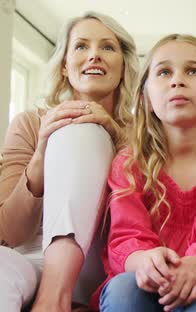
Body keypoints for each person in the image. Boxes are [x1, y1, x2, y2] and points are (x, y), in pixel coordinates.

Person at [97, 34, 196, 312]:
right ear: (146, 99)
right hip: (140, 274)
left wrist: (192, 266)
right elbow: (125, 235)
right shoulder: (129, 162)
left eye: (193, 71)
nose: (177, 80)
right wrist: (146, 261)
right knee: (124, 290)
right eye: (164, 72)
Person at [0, 11, 138, 311]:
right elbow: (9, 234)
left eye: (107, 47)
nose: (94, 56)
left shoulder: (142, 134)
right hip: (29, 255)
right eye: (81, 46)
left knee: (82, 132)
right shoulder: (29, 123)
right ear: (64, 65)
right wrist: (40, 154)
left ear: (124, 66)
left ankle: (54, 299)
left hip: (97, 257)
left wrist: (115, 137)